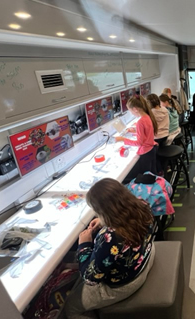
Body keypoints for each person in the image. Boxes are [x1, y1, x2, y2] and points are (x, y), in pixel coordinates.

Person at [64, 178, 155, 319]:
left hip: (127, 282)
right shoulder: (142, 204)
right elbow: (123, 214)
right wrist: (103, 221)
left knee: (70, 308)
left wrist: (84, 244)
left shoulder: (110, 238)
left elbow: (90, 278)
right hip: (146, 257)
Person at [115, 96, 158, 183]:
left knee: (146, 179)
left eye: (130, 111)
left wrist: (123, 139)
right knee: (152, 175)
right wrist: (135, 132)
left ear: (135, 109)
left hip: (145, 153)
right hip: (151, 149)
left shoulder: (140, 122)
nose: (131, 113)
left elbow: (139, 143)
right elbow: (146, 135)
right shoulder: (147, 116)